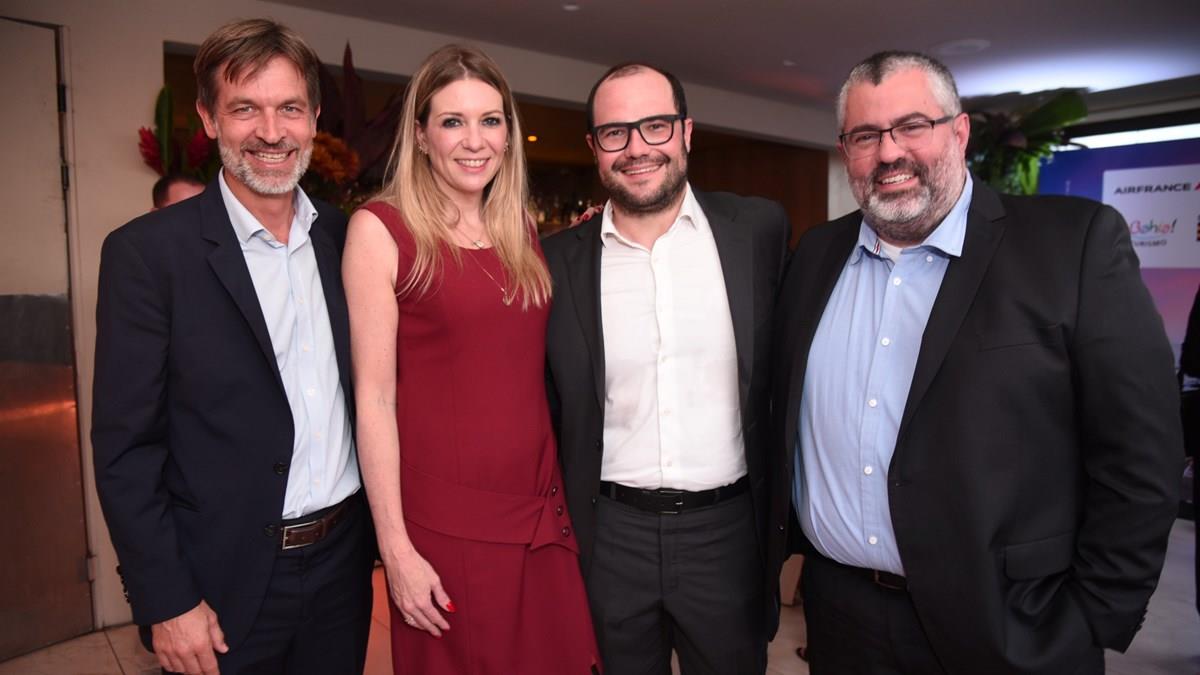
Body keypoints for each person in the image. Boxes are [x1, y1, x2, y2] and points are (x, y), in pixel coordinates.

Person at [770, 50, 1183, 674]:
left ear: (958, 132)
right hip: (840, 618)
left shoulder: (1071, 247)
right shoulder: (815, 256)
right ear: (845, 148)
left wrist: (1097, 612)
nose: (888, 153)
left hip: (1010, 626)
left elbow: (1141, 456)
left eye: (913, 126)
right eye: (865, 135)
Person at [93, 19, 374, 675]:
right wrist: (167, 598)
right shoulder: (147, 254)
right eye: (245, 108)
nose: (271, 132)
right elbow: (125, 448)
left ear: (314, 119)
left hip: (343, 569)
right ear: (208, 118)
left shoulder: (348, 239)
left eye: (289, 109)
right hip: (219, 579)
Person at [342, 44, 600, 675]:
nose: (474, 140)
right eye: (452, 121)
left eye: (491, 120)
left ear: (509, 134)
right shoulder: (381, 230)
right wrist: (395, 549)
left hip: (541, 513)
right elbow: (374, 400)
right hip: (448, 523)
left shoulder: (520, 229)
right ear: (422, 135)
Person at [543, 63, 791, 673]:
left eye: (654, 126)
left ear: (686, 132)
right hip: (609, 539)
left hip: (728, 534)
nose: (637, 149)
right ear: (594, 149)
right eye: (615, 133)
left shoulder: (758, 231)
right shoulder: (554, 263)